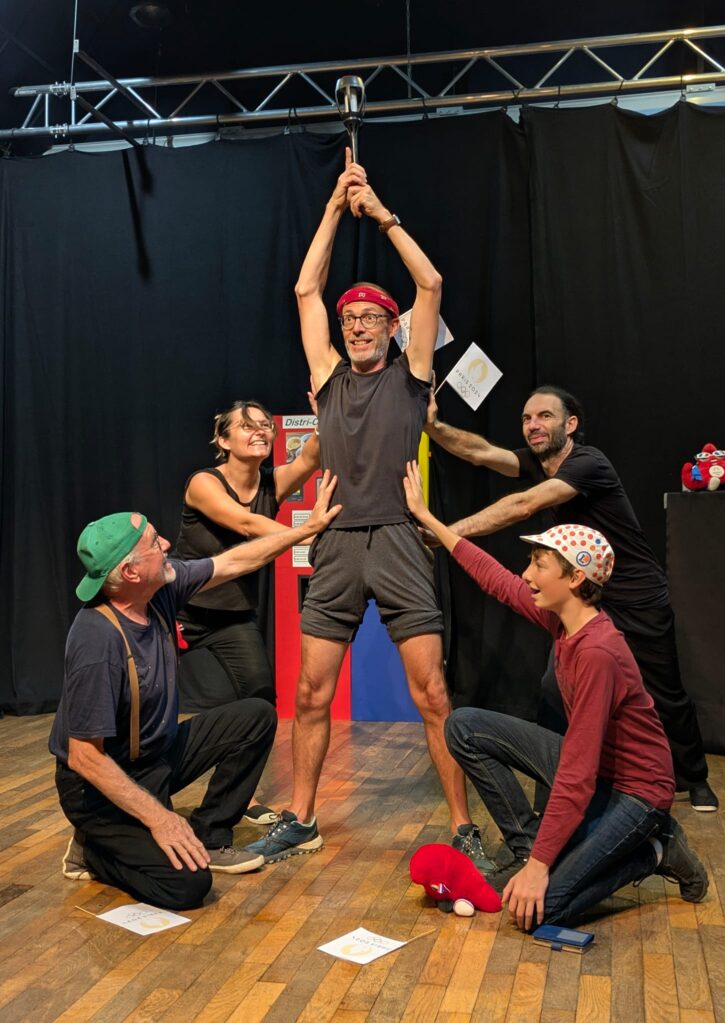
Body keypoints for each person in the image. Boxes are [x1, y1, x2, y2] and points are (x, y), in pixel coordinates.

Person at [248, 148, 484, 868]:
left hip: (401, 541)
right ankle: (302, 817)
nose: (355, 326)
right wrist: (331, 206)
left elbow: (431, 282)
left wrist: (380, 214)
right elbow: (304, 288)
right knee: (310, 692)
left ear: (390, 327)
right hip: (340, 542)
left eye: (369, 318)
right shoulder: (327, 379)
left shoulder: (413, 375)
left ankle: (463, 826)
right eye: (348, 318)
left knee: (432, 693)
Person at [402, 459, 708, 929]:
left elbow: (578, 771)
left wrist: (542, 869)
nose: (526, 574)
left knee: (543, 911)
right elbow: (496, 580)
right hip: (599, 774)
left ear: (575, 579)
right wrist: (431, 521)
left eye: (538, 565)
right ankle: (527, 847)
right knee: (462, 726)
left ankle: (656, 850)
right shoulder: (561, 620)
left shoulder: (598, 652)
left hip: (637, 792)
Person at [50, 471, 340, 911]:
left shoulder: (159, 591)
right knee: (187, 885)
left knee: (256, 714)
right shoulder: (97, 640)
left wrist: (305, 530)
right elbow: (85, 757)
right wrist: (160, 818)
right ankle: (94, 849)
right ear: (130, 571)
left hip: (155, 759)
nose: (168, 543)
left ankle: (211, 832)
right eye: (154, 542)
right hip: (97, 788)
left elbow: (236, 562)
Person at [424, 385, 718, 812]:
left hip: (637, 597)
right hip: (584, 600)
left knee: (664, 692)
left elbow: (524, 505)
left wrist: (447, 532)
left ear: (570, 424)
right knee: (554, 689)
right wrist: (433, 426)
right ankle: (554, 790)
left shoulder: (587, 463)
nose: (533, 425)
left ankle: (694, 777)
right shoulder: (537, 462)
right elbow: (481, 453)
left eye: (544, 416)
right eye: (526, 419)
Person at [173, 400, 319, 824]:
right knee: (147, 699)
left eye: (264, 425)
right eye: (246, 426)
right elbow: (246, 524)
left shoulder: (272, 482)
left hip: (233, 618)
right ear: (223, 440)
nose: (259, 431)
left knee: (260, 704)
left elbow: (312, 455)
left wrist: (329, 410)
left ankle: (231, 803)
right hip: (180, 611)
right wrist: (309, 535)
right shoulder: (204, 482)